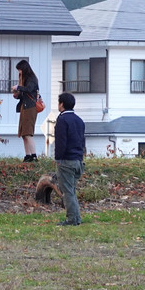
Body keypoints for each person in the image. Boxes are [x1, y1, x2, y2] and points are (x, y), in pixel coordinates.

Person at [54, 91, 85, 226]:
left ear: (62, 104)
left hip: (66, 160)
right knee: (71, 190)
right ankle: (76, 218)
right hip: (78, 160)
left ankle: (72, 219)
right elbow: (82, 141)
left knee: (67, 191)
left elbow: (61, 142)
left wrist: (58, 158)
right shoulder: (79, 120)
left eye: (58, 102)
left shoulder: (62, 120)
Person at [12, 59, 40, 162]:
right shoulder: (25, 79)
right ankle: (27, 155)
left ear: (24, 69)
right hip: (24, 106)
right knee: (24, 133)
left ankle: (33, 155)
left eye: (19, 70)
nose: (19, 72)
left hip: (30, 107)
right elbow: (25, 94)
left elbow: (29, 89)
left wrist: (18, 87)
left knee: (28, 133)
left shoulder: (32, 78)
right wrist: (17, 95)